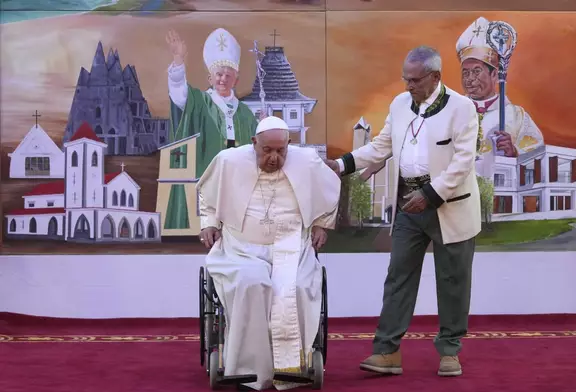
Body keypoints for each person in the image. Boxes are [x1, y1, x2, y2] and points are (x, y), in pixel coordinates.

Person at [325, 46, 481, 377]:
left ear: (435, 77)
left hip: (449, 204)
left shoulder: (462, 108)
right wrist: (341, 165)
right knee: (398, 277)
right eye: (405, 79)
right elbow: (382, 146)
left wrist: (431, 194)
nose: (408, 85)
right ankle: (387, 352)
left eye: (414, 79)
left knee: (453, 280)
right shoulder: (399, 105)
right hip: (409, 206)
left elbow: (464, 160)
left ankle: (450, 351)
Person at [196, 116, 341, 391]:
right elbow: (207, 195)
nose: (274, 158)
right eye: (267, 151)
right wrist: (210, 223)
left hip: (291, 247)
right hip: (241, 248)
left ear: (289, 145)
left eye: (281, 151)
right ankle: (249, 371)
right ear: (254, 143)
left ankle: (288, 368)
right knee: (253, 284)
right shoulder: (229, 161)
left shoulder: (307, 161)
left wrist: (322, 223)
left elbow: (329, 191)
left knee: (293, 288)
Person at [456, 16, 544, 179]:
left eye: (476, 71)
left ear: (495, 74)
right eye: (465, 73)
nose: (469, 79)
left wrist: (514, 152)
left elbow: (539, 157)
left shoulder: (517, 117)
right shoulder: (452, 113)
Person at [166, 28, 258, 178]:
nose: (223, 79)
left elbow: (258, 145)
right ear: (210, 78)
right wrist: (178, 60)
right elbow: (179, 95)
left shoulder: (245, 113)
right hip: (207, 179)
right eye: (219, 74)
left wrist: (264, 127)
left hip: (239, 180)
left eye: (228, 75)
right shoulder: (200, 102)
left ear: (236, 80)